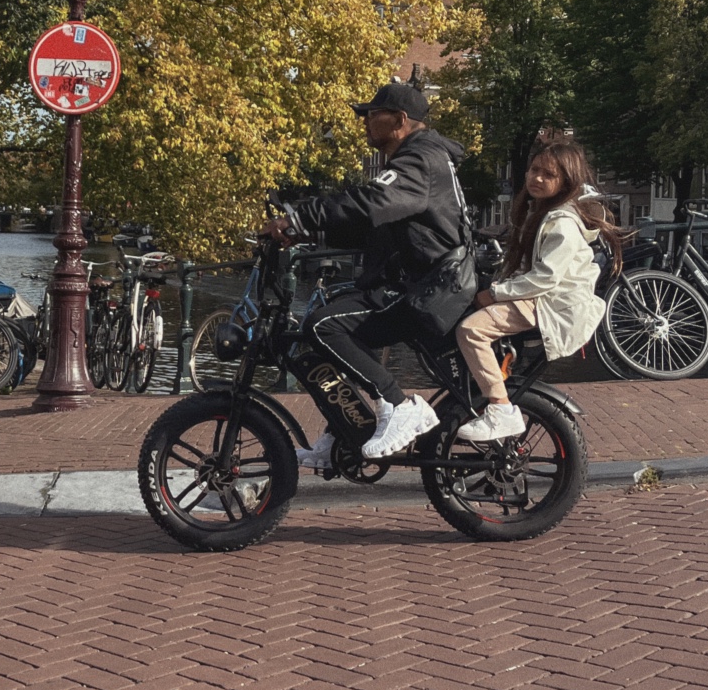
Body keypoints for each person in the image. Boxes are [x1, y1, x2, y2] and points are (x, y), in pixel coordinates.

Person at [262, 81, 467, 464]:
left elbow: (371, 202)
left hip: (425, 288)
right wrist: (304, 230)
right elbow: (368, 224)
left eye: (373, 115)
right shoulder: (415, 159)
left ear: (400, 121)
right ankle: (346, 431)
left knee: (325, 326)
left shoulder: (418, 161)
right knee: (334, 331)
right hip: (412, 281)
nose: (365, 123)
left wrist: (298, 218)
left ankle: (400, 403)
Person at [453, 141, 622, 441]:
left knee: (471, 330)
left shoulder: (563, 225)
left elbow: (546, 278)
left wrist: (495, 294)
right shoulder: (542, 213)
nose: (537, 178)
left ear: (566, 181)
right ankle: (480, 387)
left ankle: (500, 408)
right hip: (542, 298)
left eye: (548, 174)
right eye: (534, 170)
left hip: (552, 303)